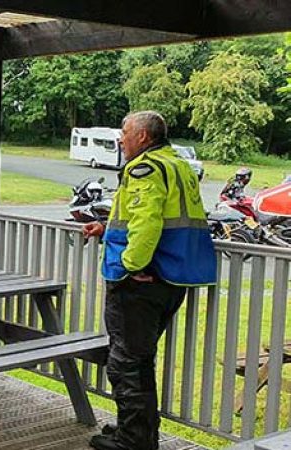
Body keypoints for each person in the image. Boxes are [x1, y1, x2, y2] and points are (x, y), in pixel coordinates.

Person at [82, 111, 216, 450]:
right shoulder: (178, 164)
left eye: (125, 132)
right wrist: (105, 228)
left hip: (142, 281)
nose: (120, 139)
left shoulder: (145, 167)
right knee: (138, 359)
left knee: (126, 361)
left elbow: (147, 221)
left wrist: (130, 266)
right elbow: (149, 216)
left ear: (143, 136)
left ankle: (134, 440)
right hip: (173, 276)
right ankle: (138, 430)